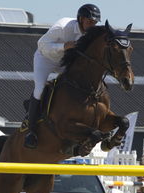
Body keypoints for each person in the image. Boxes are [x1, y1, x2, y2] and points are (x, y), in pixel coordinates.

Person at [24, 4, 101, 149]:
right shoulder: (62, 26)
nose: (92, 26)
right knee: (40, 89)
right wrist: (64, 46)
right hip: (45, 58)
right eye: (90, 22)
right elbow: (41, 45)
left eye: (94, 23)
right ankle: (31, 131)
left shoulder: (89, 34)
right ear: (81, 19)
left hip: (64, 61)